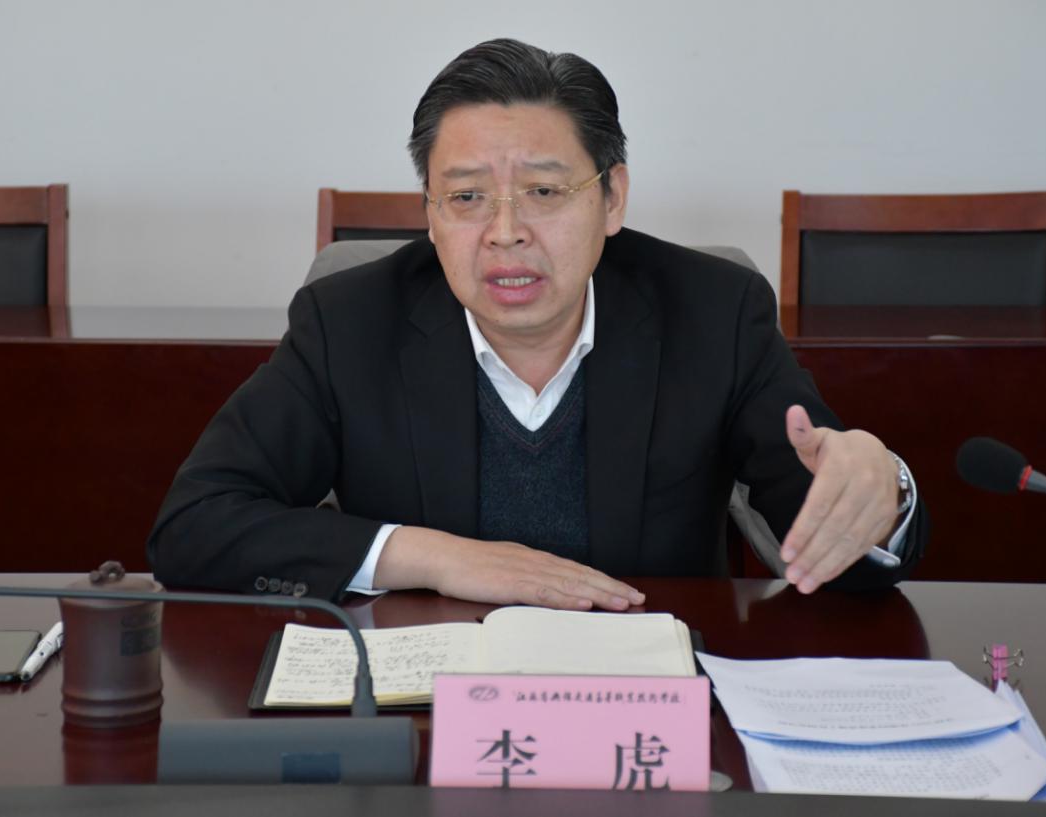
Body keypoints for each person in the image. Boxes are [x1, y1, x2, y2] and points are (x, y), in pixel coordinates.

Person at [147, 38, 927, 609]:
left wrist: (876, 491)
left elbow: (832, 543)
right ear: (429, 211)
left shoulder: (713, 313)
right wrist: (434, 557)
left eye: (544, 193)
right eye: (465, 197)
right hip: (429, 708)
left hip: (645, 699)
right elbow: (194, 526)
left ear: (612, 198)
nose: (504, 232)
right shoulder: (349, 321)